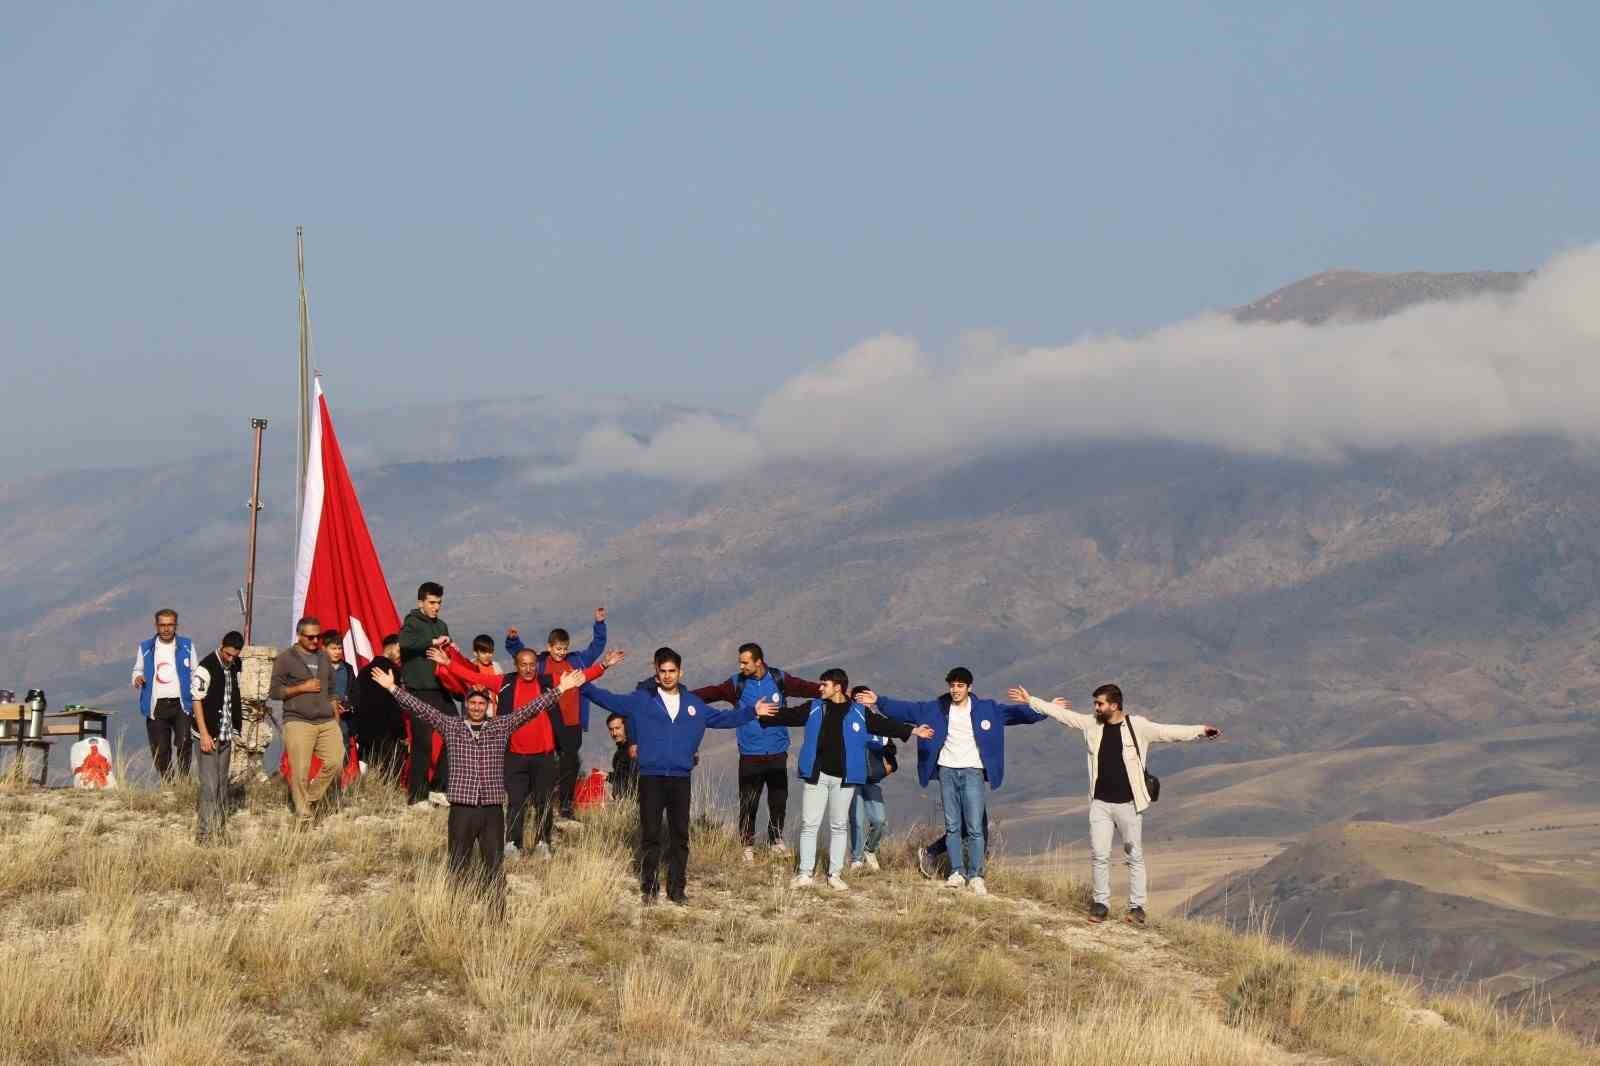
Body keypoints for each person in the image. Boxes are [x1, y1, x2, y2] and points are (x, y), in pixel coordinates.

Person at [371, 662, 586, 917]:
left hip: (492, 810)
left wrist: (561, 688)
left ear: (488, 706)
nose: (476, 707)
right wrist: (392, 688)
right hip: (462, 809)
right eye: (472, 703)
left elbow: (530, 710)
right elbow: (422, 709)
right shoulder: (452, 727)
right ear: (466, 705)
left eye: (481, 703)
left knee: (494, 865)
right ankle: (454, 914)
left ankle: (497, 917)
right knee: (458, 864)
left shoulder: (499, 727)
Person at [1009, 683, 1221, 924]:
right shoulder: (1092, 725)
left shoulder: (1136, 726)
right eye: (1095, 704)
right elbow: (1064, 716)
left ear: (1114, 705)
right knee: (1100, 855)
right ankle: (1100, 904)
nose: (1096, 708)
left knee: (1134, 855)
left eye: (1100, 704)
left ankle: (1137, 907)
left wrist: (1201, 730)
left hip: (1129, 804)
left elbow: (1167, 732)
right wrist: (1031, 700)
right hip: (1100, 804)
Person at [580, 647, 755, 905]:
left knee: (679, 837)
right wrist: (582, 681)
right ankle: (649, 889)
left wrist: (753, 712)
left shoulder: (694, 704)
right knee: (650, 835)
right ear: (656, 673)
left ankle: (677, 890)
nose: (668, 675)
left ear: (680, 672)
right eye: (663, 671)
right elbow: (607, 699)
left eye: (672, 671)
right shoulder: (642, 700)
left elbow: (722, 718)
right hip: (651, 777)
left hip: (680, 779)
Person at [858, 668, 1049, 897]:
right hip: (947, 771)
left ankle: (976, 876)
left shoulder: (987, 709)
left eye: (960, 686)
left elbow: (1019, 714)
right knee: (953, 827)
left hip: (973, 772)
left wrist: (1047, 708)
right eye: (952, 685)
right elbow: (907, 709)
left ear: (969, 687)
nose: (955, 690)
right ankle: (956, 873)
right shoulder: (935, 708)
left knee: (976, 827)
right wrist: (879, 701)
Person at [754, 670, 928, 890]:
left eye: (824, 684)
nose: (820, 688)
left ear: (837, 687)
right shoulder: (815, 707)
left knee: (838, 826)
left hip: (844, 779)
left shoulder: (859, 713)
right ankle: (805, 874)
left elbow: (884, 726)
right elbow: (788, 715)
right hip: (817, 776)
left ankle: (834, 875)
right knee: (810, 824)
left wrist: (913, 731)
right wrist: (761, 714)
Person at [479, 645, 624, 858]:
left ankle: (542, 843)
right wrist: (447, 662)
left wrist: (603, 665)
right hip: (514, 755)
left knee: (543, 802)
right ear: (516, 666)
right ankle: (512, 843)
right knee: (516, 801)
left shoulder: (547, 682)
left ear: (536, 665)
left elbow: (579, 678)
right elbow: (469, 674)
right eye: (523, 665)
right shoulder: (505, 683)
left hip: (544, 756)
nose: (528, 669)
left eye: (531, 665)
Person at [692, 643, 824, 861]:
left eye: (745, 662)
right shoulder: (737, 684)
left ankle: (776, 840)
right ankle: (746, 845)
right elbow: (712, 692)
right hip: (750, 753)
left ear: (758, 662)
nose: (741, 666)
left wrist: (831, 691)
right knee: (749, 800)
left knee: (778, 799)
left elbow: (805, 688)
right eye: (740, 662)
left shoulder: (779, 679)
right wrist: (681, 695)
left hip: (777, 751)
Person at [507, 608, 608, 823]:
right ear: (549, 647)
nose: (561, 652)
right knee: (544, 763)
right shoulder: (541, 663)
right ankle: (537, 802)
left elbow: (596, 647)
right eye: (557, 648)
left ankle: (565, 806)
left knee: (569, 764)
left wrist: (599, 624)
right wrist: (513, 640)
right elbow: (521, 656)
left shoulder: (577, 661)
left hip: (572, 722)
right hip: (548, 721)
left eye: (564, 648)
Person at [270, 616, 346, 826]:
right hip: (298, 721)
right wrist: (300, 688)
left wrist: (336, 720)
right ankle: (303, 814)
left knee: (336, 761)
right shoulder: (286, 658)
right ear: (299, 635)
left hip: (326, 720)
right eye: (310, 637)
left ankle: (309, 798)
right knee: (300, 771)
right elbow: (274, 692)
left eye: (318, 637)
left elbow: (331, 692)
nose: (315, 641)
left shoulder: (323, 657)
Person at [398, 582, 452, 807]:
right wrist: (431, 642)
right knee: (423, 743)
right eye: (432, 602)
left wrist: (449, 646)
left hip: (441, 689)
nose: (436, 607)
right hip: (419, 690)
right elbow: (405, 642)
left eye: (439, 603)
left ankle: (438, 788)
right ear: (421, 602)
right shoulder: (411, 622)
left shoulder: (442, 625)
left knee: (457, 733)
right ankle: (416, 795)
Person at [130, 608, 199, 782]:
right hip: (156, 705)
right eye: (162, 625)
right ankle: (168, 781)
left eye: (170, 625)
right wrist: (137, 678)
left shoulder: (187, 645)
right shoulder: (146, 647)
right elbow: (137, 669)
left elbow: (195, 672)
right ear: (156, 626)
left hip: (181, 704)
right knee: (161, 748)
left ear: (176, 625)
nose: (166, 629)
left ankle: (184, 780)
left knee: (184, 742)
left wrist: (196, 698)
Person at [190, 631, 243, 843]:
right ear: (221, 645)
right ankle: (203, 835)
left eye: (234, 656)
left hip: (225, 733)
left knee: (221, 784)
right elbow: (197, 700)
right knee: (209, 786)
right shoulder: (206, 667)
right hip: (208, 734)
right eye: (228, 654)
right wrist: (203, 733)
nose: (230, 659)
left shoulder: (236, 666)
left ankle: (219, 830)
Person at [848, 684, 899, 871]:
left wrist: (889, 767)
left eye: (866, 699)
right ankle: (856, 859)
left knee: (879, 820)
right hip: (852, 779)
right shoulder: (847, 722)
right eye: (859, 700)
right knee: (857, 820)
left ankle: (870, 849)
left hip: (873, 779)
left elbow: (891, 750)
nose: (864, 703)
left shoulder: (879, 724)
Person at [353, 634, 406, 776]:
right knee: (391, 772)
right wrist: (401, 732)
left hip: (365, 732)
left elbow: (356, 700)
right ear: (394, 646)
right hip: (387, 731)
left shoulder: (364, 671)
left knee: (369, 771)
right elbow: (395, 703)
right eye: (401, 651)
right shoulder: (393, 671)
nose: (401, 656)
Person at [323, 628, 357, 751]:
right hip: (322, 718)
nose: (337, 652)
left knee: (344, 753)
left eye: (340, 648)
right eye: (333, 648)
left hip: (343, 720)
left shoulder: (348, 668)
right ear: (324, 648)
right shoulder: (317, 668)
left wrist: (348, 705)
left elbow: (354, 693)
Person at [607, 714, 638, 800]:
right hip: (625, 800)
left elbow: (631, 778)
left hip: (635, 801)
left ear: (626, 727)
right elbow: (623, 776)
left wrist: (608, 776)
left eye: (617, 728)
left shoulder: (632, 749)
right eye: (611, 729)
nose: (614, 733)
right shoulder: (620, 751)